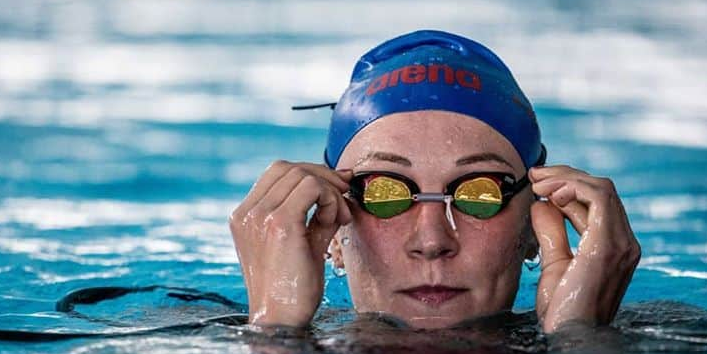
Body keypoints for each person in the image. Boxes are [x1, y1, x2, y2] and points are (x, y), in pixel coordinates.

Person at [229, 30, 640, 333]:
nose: (431, 242)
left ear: (534, 226)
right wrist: (274, 325)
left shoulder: (679, 348)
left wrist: (579, 337)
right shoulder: (187, 340)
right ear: (333, 230)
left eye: (479, 193)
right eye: (384, 193)